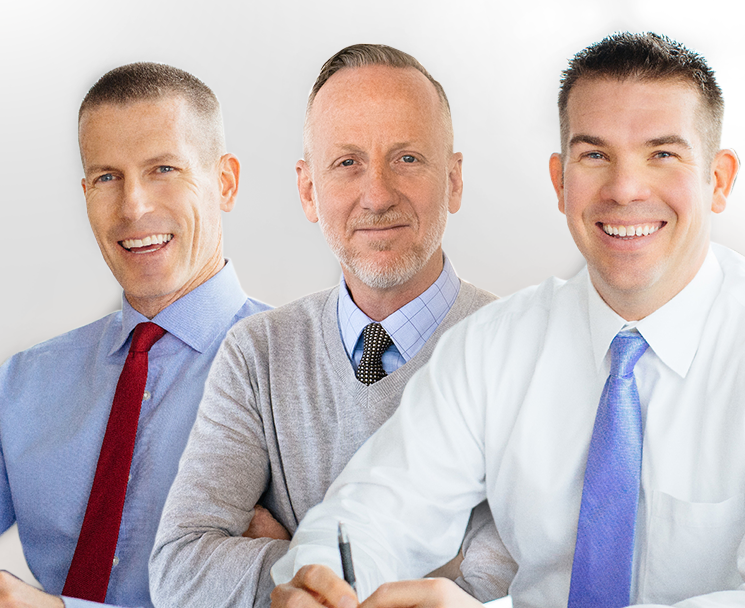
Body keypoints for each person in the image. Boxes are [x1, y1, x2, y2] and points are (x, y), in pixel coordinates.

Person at [269, 33, 745, 608]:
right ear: (560, 182)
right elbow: (375, 508)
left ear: (718, 180)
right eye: (595, 155)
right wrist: (318, 582)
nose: (625, 187)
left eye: (662, 153)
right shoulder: (488, 351)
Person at [0, 62, 269, 608]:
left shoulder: (304, 374)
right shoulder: (27, 384)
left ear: (225, 182)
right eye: (107, 177)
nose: (133, 207)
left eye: (163, 168)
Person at [149, 44, 515, 608]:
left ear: (455, 178)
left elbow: (506, 589)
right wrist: (416, 573)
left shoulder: (519, 354)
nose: (377, 195)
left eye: (408, 158)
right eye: (347, 163)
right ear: (307, 190)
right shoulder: (256, 356)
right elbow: (180, 571)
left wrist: (298, 560)